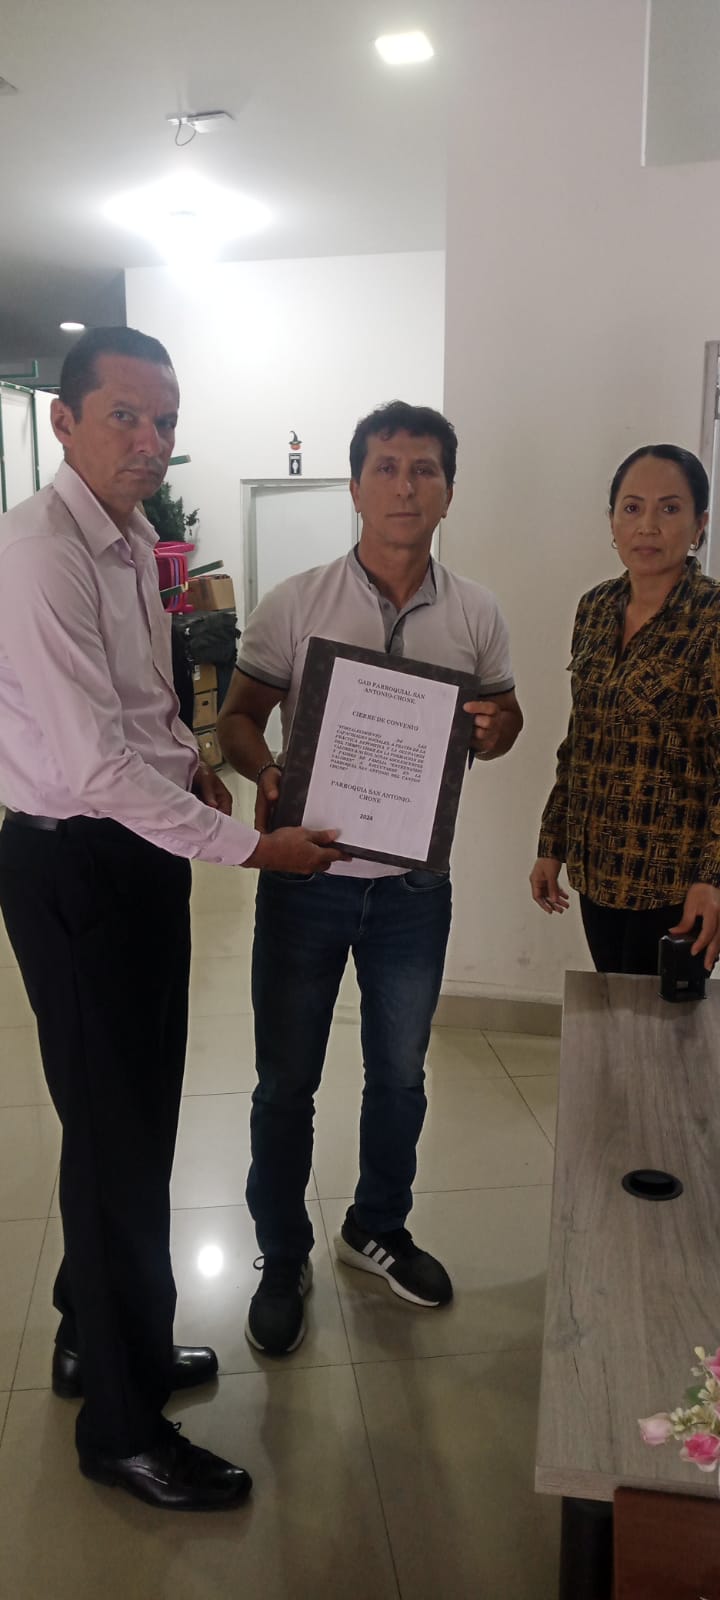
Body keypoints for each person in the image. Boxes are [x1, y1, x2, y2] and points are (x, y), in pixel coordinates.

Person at [0, 325, 343, 1510]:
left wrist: (190, 763)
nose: (150, 440)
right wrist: (253, 844)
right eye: (125, 416)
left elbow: (138, 708)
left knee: (131, 1124)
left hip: (135, 852)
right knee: (114, 1145)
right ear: (64, 421)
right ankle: (121, 1427)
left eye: (165, 419)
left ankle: (103, 1340)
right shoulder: (39, 554)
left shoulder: (134, 536)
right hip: (76, 864)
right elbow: (90, 766)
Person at [217, 400, 524, 1356]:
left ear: (448, 492)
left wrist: (495, 730)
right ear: (354, 487)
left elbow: (505, 718)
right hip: (306, 878)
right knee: (285, 1083)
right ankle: (282, 1253)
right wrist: (268, 772)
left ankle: (376, 1227)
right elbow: (238, 717)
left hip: (412, 892)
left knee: (399, 1077)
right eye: (386, 468)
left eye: (425, 469)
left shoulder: (476, 611)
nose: (405, 486)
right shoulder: (296, 602)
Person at [530, 444, 720, 976]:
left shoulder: (711, 617)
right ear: (612, 521)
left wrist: (713, 878)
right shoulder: (595, 608)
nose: (648, 526)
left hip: (677, 882)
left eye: (670, 508)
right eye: (632, 508)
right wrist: (552, 843)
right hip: (599, 871)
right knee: (613, 1012)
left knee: (665, 1026)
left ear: (700, 524)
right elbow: (579, 740)